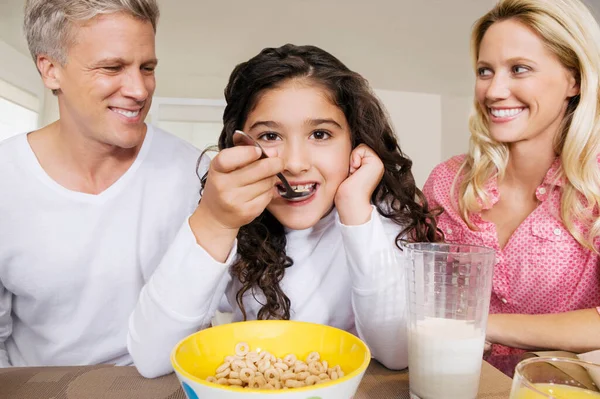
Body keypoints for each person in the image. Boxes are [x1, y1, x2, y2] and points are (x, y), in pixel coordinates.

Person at [127, 43, 440, 378]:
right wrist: (216, 221)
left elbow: (396, 353)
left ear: (354, 141)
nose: (294, 163)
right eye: (271, 135)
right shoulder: (226, 217)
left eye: (320, 134)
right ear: (241, 144)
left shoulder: (381, 217)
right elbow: (152, 359)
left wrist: (355, 214)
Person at [0, 0, 205, 367]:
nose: (140, 91)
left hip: (166, 382)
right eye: (112, 67)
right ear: (50, 70)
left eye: (147, 68)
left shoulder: (193, 172)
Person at [423, 0, 600, 362]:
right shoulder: (448, 182)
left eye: (519, 69)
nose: (493, 91)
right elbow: (409, 290)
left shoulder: (594, 184)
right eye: (485, 71)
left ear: (574, 79)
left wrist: (482, 325)